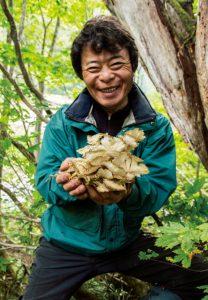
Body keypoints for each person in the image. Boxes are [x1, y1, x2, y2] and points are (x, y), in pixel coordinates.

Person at [22, 16, 208, 300]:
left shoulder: (154, 128)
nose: (106, 76)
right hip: (66, 244)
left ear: (132, 66)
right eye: (94, 68)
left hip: (127, 242)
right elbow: (45, 181)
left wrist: (127, 192)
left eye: (116, 64)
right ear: (83, 74)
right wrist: (65, 185)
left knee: (201, 276)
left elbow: (157, 189)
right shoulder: (64, 122)